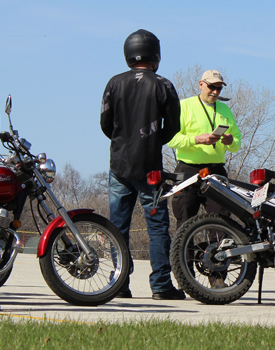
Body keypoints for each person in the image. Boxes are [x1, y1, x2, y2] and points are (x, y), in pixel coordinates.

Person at [100, 29, 184, 300]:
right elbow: (173, 127)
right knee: (157, 227)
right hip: (150, 169)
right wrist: (152, 141)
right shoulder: (163, 84)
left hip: (119, 166)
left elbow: (105, 123)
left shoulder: (113, 83)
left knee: (117, 227)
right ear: (155, 55)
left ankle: (119, 283)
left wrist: (123, 141)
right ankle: (160, 286)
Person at [167, 70, 242, 229]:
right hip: (188, 170)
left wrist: (230, 141)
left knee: (221, 222)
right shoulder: (184, 106)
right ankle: (186, 254)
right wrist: (198, 139)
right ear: (201, 84)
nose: (215, 92)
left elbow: (236, 144)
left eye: (219, 89)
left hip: (216, 172)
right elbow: (171, 139)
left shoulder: (224, 109)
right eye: (211, 87)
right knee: (185, 221)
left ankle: (218, 253)